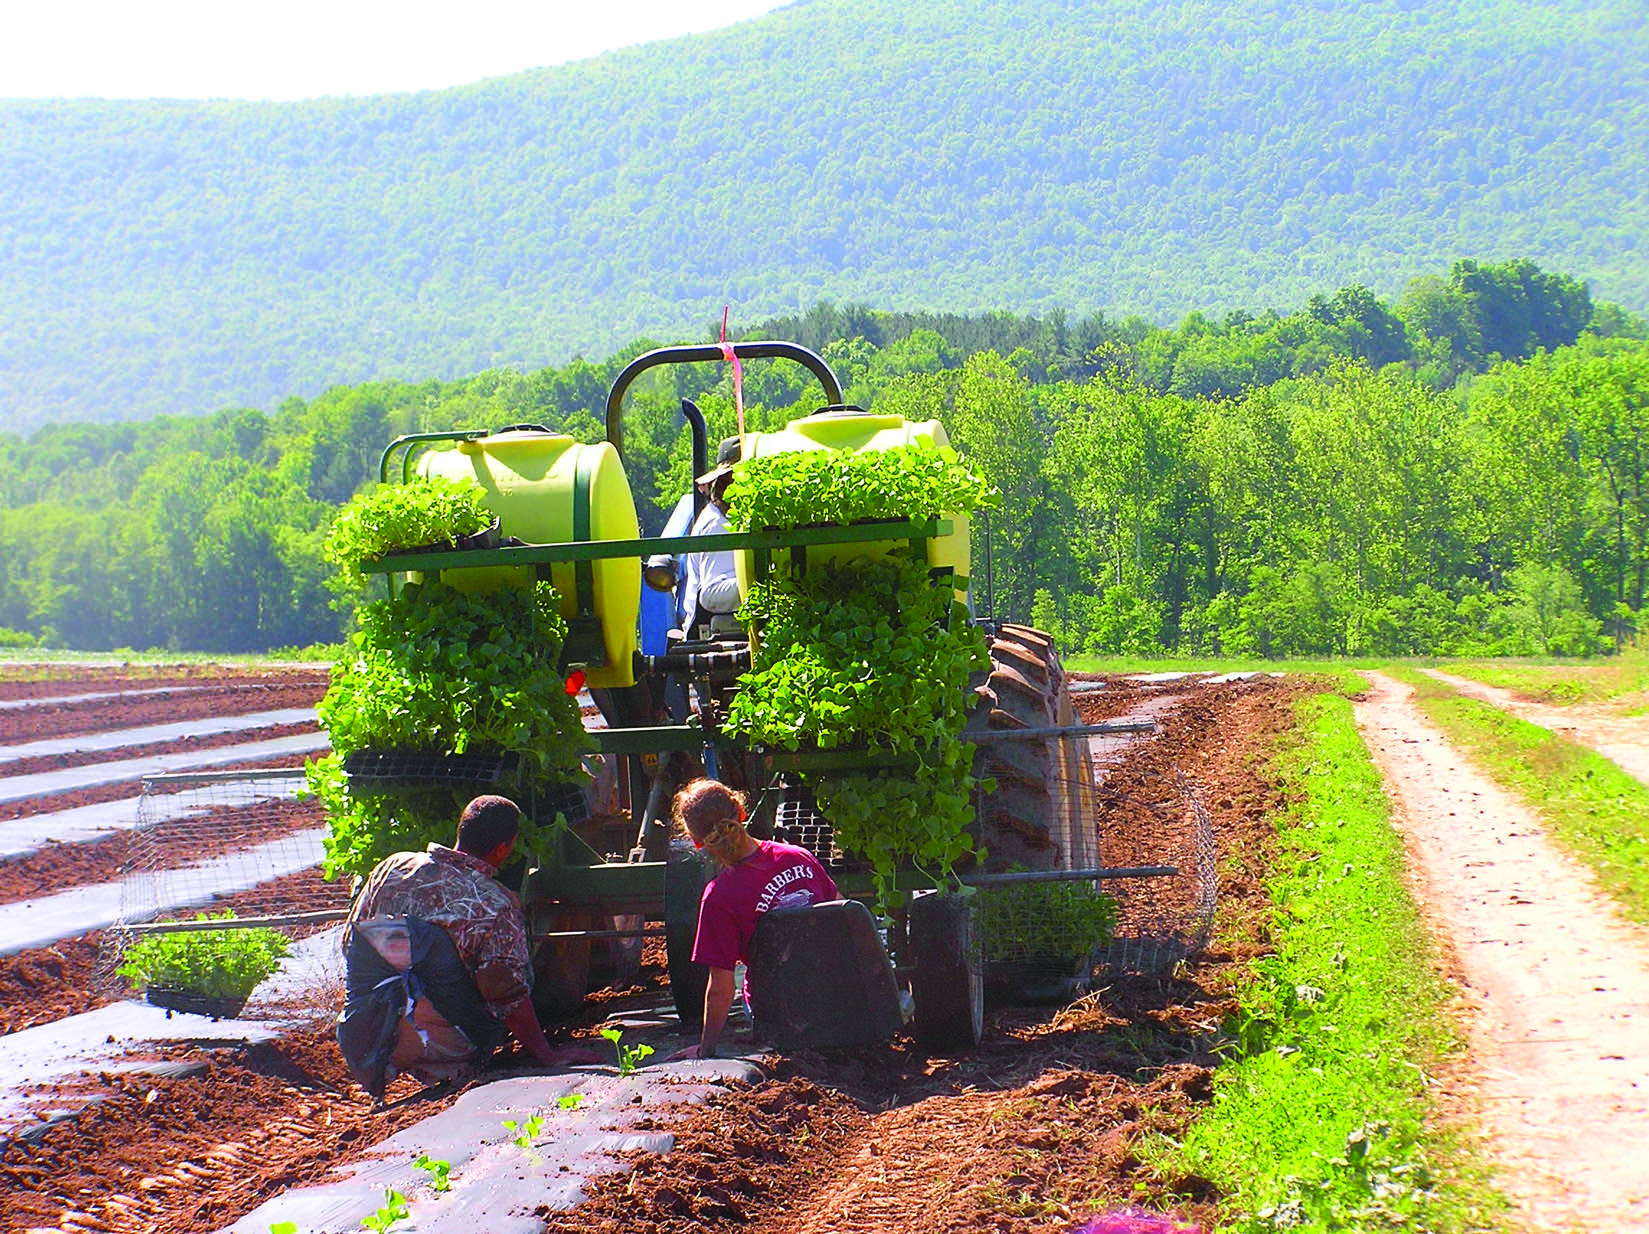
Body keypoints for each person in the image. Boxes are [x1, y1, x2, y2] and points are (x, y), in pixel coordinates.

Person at [337, 795, 592, 1095]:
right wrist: (547, 1055)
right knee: (498, 982)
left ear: (461, 831)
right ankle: (441, 1057)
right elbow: (505, 993)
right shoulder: (495, 903)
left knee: (402, 946)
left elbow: (349, 943)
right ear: (502, 849)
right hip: (445, 1045)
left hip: (367, 1038)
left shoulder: (393, 866)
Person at [667, 779, 839, 1059]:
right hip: (834, 997)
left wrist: (705, 1049)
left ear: (697, 842)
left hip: (778, 1015)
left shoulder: (718, 896)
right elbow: (842, 915)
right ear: (741, 811)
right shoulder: (800, 857)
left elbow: (722, 988)